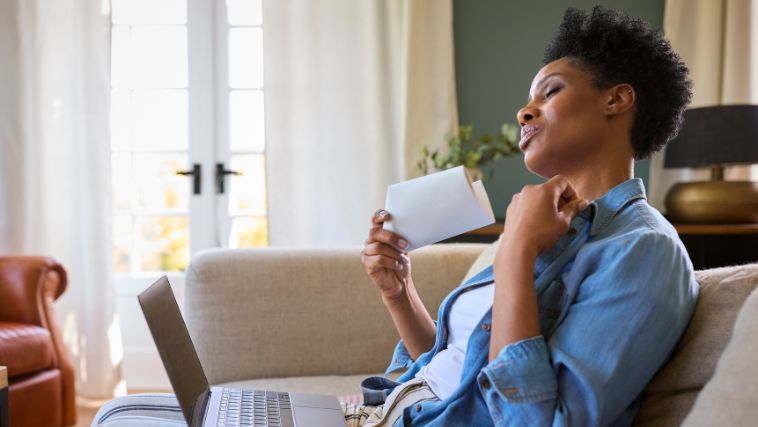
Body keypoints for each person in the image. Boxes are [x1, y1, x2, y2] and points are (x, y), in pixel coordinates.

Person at [348, 6, 698, 427]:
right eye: (528, 101)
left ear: (616, 99)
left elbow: (537, 421)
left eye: (549, 92)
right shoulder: (547, 228)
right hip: (387, 412)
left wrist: (516, 248)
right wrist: (399, 292)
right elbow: (455, 374)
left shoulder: (643, 250)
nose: (524, 113)